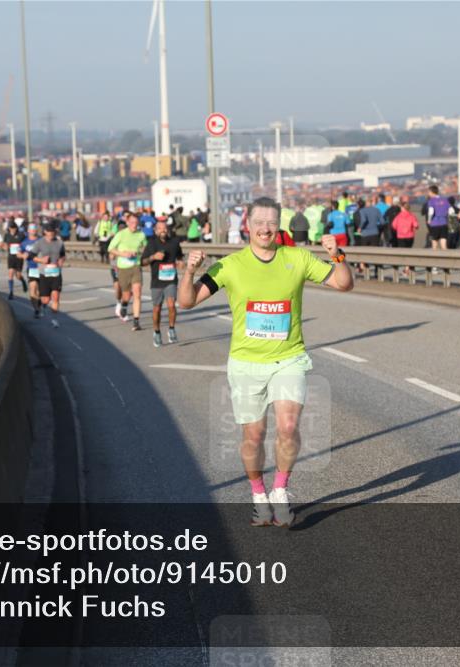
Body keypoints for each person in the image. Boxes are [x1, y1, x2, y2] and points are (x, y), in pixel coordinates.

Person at [178, 196, 354, 527]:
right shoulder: (230, 266)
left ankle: (280, 490)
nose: (265, 228)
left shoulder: (297, 258)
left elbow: (344, 283)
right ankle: (258, 494)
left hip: (289, 358)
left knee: (288, 426)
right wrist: (189, 271)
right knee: (254, 437)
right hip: (246, 363)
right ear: (248, 225)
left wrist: (338, 255)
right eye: (259, 222)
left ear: (279, 226)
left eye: (272, 222)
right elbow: (186, 302)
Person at [141, 220, 184, 347]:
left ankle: (171, 329)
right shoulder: (151, 243)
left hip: (171, 280)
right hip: (156, 281)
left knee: (171, 305)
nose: (163, 231)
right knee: (157, 309)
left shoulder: (175, 242)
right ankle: (157, 332)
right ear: (155, 231)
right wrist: (153, 257)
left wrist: (181, 262)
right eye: (160, 229)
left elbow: (180, 256)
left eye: (164, 228)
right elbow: (142, 262)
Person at [108, 211, 148, 331]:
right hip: (123, 268)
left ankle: (136, 321)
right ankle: (124, 305)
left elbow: (145, 247)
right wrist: (123, 254)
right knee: (126, 294)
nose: (134, 225)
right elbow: (110, 248)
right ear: (127, 222)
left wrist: (139, 252)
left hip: (136, 266)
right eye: (132, 222)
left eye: (136, 222)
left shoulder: (141, 235)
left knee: (137, 292)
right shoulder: (121, 234)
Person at [32, 221, 67, 328]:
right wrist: (41, 260)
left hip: (56, 273)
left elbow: (63, 255)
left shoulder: (60, 242)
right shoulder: (39, 243)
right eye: (50, 232)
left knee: (56, 296)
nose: (52, 234)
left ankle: (55, 320)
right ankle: (43, 305)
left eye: (53, 232)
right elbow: (31, 256)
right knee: (45, 300)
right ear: (45, 232)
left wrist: (61, 261)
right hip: (44, 274)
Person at [19, 223, 43, 318]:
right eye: (31, 229)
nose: (33, 230)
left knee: (41, 292)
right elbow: (18, 253)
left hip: (42, 268)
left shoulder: (41, 240)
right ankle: (36, 310)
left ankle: (39, 304)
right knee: (32, 290)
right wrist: (22, 255)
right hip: (32, 268)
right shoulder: (24, 242)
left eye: (35, 228)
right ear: (28, 231)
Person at [3, 220, 27, 300]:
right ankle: (11, 292)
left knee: (18, 276)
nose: (12, 230)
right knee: (10, 273)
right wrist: (5, 247)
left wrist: (23, 251)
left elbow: (25, 244)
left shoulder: (21, 235)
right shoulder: (7, 235)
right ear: (9, 228)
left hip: (19, 257)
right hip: (11, 257)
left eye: (14, 228)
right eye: (11, 228)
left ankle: (23, 281)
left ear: (16, 228)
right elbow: (5, 245)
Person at [423, 185, 450, 250]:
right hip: (444, 223)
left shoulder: (431, 201)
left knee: (434, 243)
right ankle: (446, 257)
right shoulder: (445, 200)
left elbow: (431, 211)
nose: (428, 194)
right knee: (443, 242)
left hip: (435, 223)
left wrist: (429, 219)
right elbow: (450, 211)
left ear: (431, 192)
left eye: (428, 192)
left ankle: (435, 258)